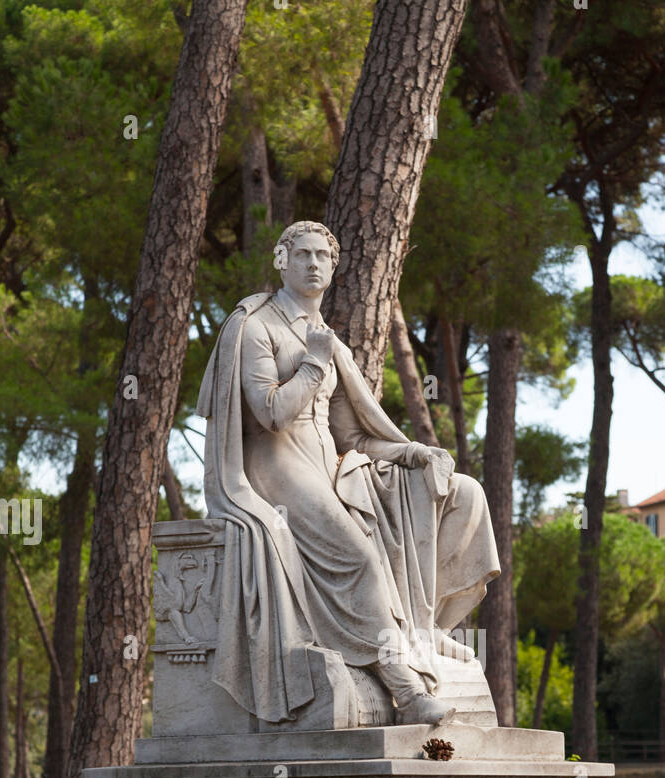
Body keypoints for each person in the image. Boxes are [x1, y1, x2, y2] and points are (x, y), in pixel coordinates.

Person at [197, 220, 500, 727]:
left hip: (329, 464)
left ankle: (422, 627)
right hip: (275, 465)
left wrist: (412, 454)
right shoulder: (255, 326)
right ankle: (404, 689)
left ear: (334, 270)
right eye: (303, 255)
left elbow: (353, 436)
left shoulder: (325, 339)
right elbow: (269, 413)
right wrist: (313, 365)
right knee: (358, 555)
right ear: (281, 261)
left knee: (461, 493)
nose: (313, 264)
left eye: (323, 257)